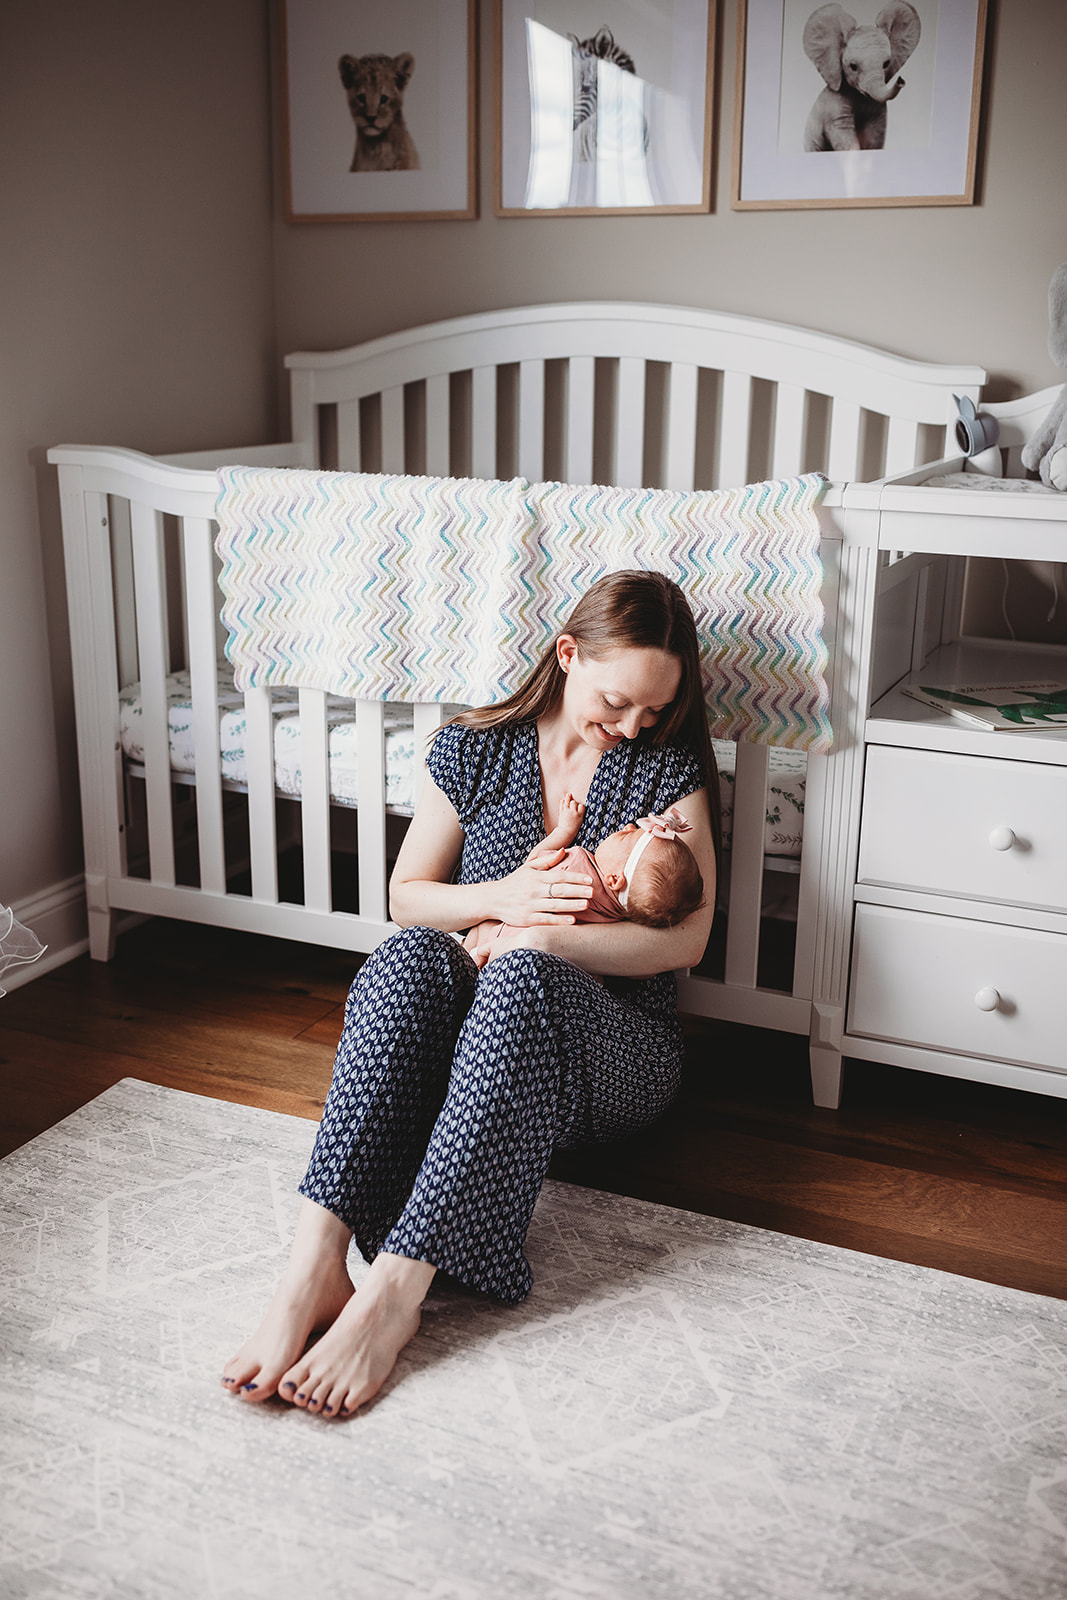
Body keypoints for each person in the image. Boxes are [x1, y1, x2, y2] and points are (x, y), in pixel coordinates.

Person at [221, 570, 718, 1419]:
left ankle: (393, 1295)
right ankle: (313, 1268)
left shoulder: (662, 771)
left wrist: (538, 936)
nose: (632, 726)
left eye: (652, 710)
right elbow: (408, 894)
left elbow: (685, 937)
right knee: (410, 955)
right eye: (618, 700)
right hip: (478, 1035)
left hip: (613, 1049)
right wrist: (500, 900)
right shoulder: (477, 747)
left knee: (525, 975)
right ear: (568, 655)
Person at [462, 794, 704, 965]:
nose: (629, 826)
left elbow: (534, 864)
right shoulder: (615, 919)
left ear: (614, 878)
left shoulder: (578, 863)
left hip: (500, 937)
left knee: (476, 933)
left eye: (624, 837)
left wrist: (564, 831)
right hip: (538, 963)